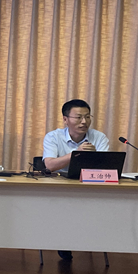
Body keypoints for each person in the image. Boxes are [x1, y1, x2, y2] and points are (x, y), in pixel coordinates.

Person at [42, 99, 110, 262]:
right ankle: (65, 241)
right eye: (78, 117)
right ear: (65, 119)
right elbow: (49, 165)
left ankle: (87, 239)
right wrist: (75, 154)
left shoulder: (99, 137)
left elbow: (107, 169)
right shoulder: (53, 137)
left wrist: (94, 157)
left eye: (87, 117)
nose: (84, 121)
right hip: (59, 188)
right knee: (64, 207)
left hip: (90, 188)